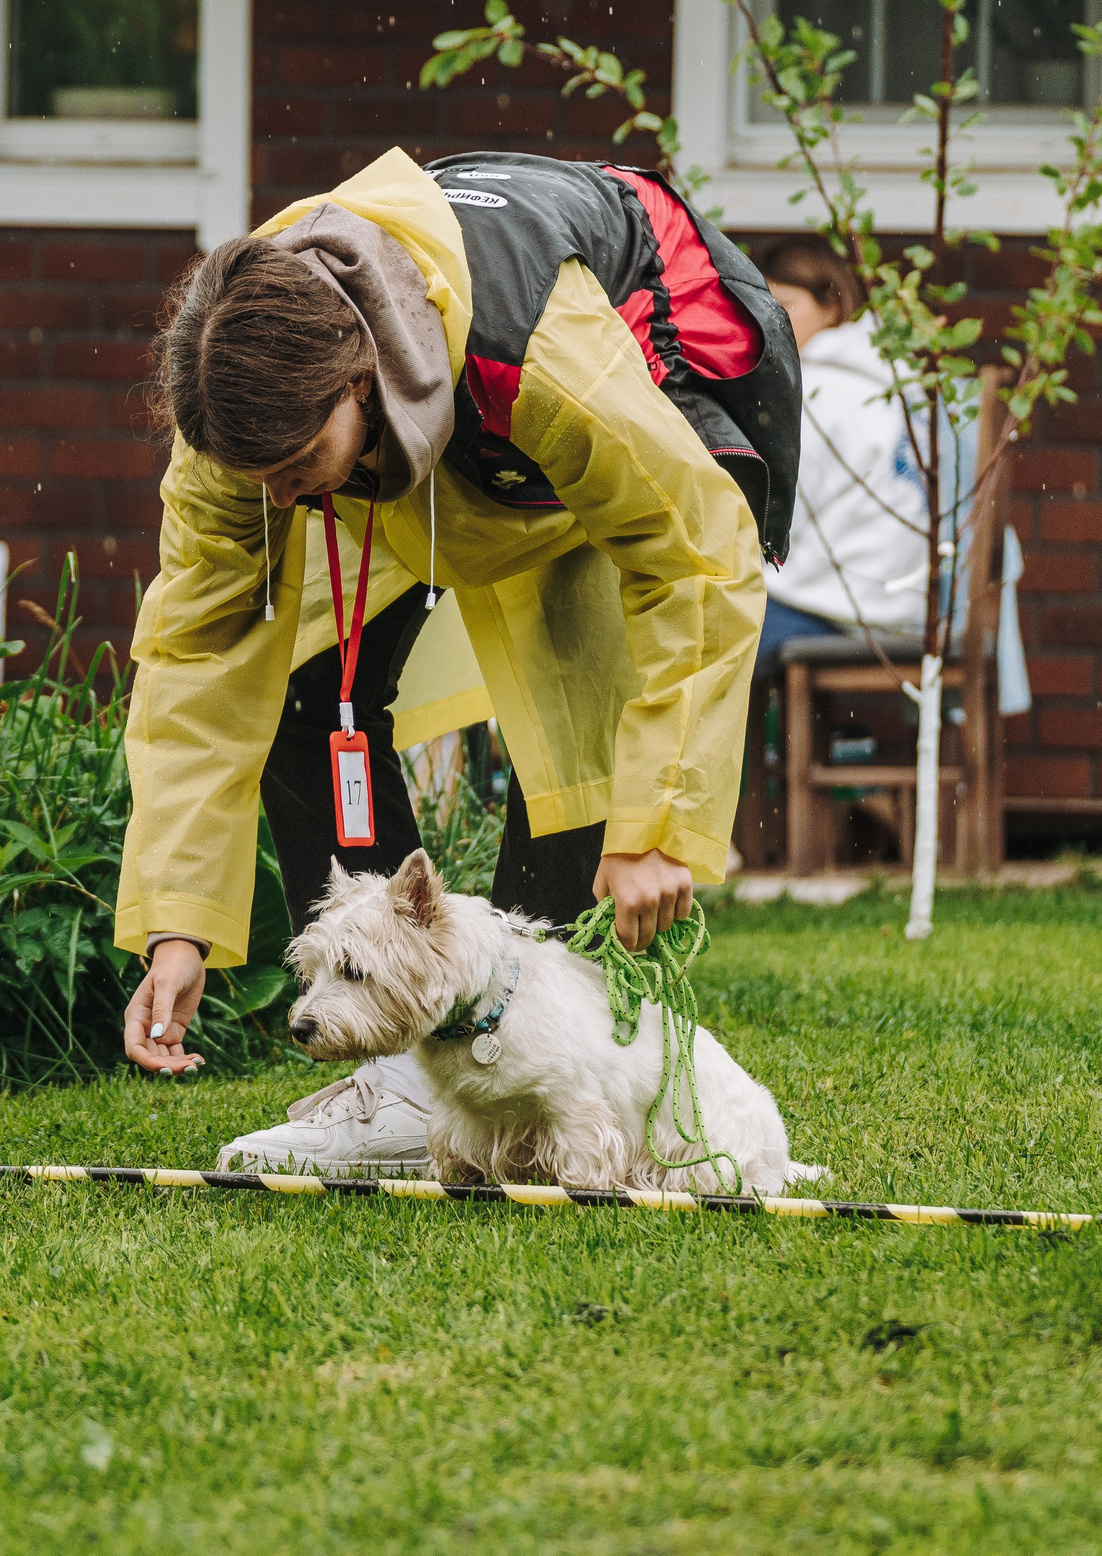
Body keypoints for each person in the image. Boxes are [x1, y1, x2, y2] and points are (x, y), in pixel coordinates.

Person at [113, 147, 803, 1175]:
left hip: (602, 450)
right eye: (262, 482)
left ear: (358, 380)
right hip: (414, 464)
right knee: (306, 694)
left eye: (296, 469)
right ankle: (401, 1077)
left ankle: (533, 1069)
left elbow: (692, 558)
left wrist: (655, 827)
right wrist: (177, 923)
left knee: (581, 746)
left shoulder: (545, 354)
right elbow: (200, 650)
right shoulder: (240, 404)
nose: (283, 500)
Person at [752, 235, 928, 665]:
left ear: (831, 304)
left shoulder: (818, 389)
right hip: (907, 609)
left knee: (699, 630)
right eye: (759, 309)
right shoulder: (895, 379)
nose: (768, 324)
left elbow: (775, 519)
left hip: (836, 607)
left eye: (784, 307)